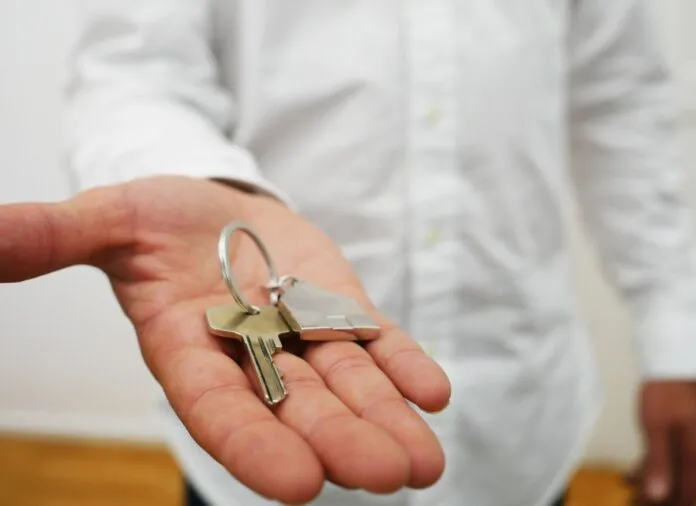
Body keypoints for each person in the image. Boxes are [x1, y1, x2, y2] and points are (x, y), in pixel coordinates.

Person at [1, 0, 696, 505]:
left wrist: (674, 339)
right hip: (255, 449)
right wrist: (203, 182)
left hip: (521, 423)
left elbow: (624, 103)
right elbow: (132, 72)